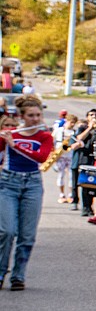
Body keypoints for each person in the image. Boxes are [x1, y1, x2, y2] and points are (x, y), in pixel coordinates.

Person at [0, 94, 53, 291]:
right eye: (31, 115)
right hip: (9, 182)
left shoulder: (44, 136)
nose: (36, 119)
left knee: (27, 235)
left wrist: (14, 145)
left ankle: (18, 275)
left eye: (38, 115)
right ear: (22, 116)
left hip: (32, 184)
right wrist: (5, 139)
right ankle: (0, 271)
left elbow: (41, 158)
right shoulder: (12, 133)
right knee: (7, 231)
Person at [70, 109, 96, 212]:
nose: (94, 116)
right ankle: (78, 203)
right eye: (91, 115)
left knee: (91, 184)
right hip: (81, 159)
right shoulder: (83, 128)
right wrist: (90, 127)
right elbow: (79, 138)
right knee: (79, 183)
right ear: (87, 117)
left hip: (93, 159)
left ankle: (89, 206)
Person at [52, 113, 78, 203]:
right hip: (60, 155)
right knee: (61, 175)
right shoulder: (59, 130)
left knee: (71, 176)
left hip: (70, 155)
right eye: (71, 122)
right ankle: (62, 194)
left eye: (74, 123)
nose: (72, 124)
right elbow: (52, 140)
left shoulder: (74, 132)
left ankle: (71, 195)